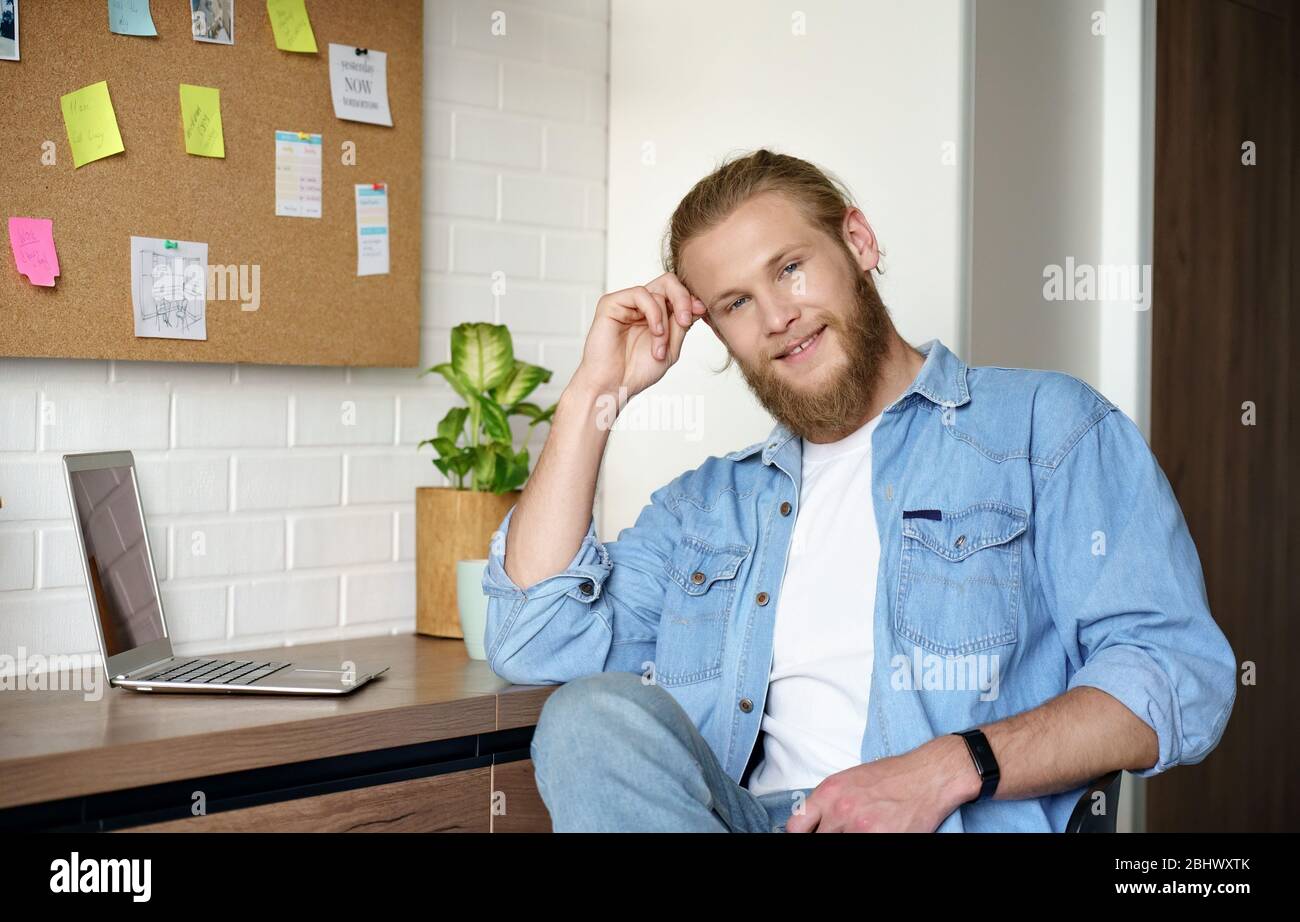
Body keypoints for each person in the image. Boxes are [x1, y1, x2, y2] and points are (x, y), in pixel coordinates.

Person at [481, 149, 1236, 832]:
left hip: (945, 819)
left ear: (860, 243)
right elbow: (532, 637)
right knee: (586, 719)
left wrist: (945, 769)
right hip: (747, 820)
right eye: (737, 303)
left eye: (789, 268)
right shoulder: (705, 508)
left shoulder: (1047, 429)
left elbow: (1175, 672)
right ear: (717, 333)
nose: (778, 317)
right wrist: (593, 395)